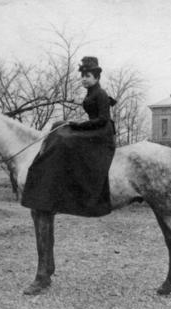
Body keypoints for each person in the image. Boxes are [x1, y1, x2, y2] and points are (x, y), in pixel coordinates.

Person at [21, 56, 116, 217]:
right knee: (58, 126)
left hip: (102, 133)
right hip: (94, 128)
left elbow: (103, 120)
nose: (84, 79)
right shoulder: (90, 93)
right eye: (82, 76)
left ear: (97, 77)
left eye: (88, 76)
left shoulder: (100, 94)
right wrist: (75, 123)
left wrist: (79, 125)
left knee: (66, 139)